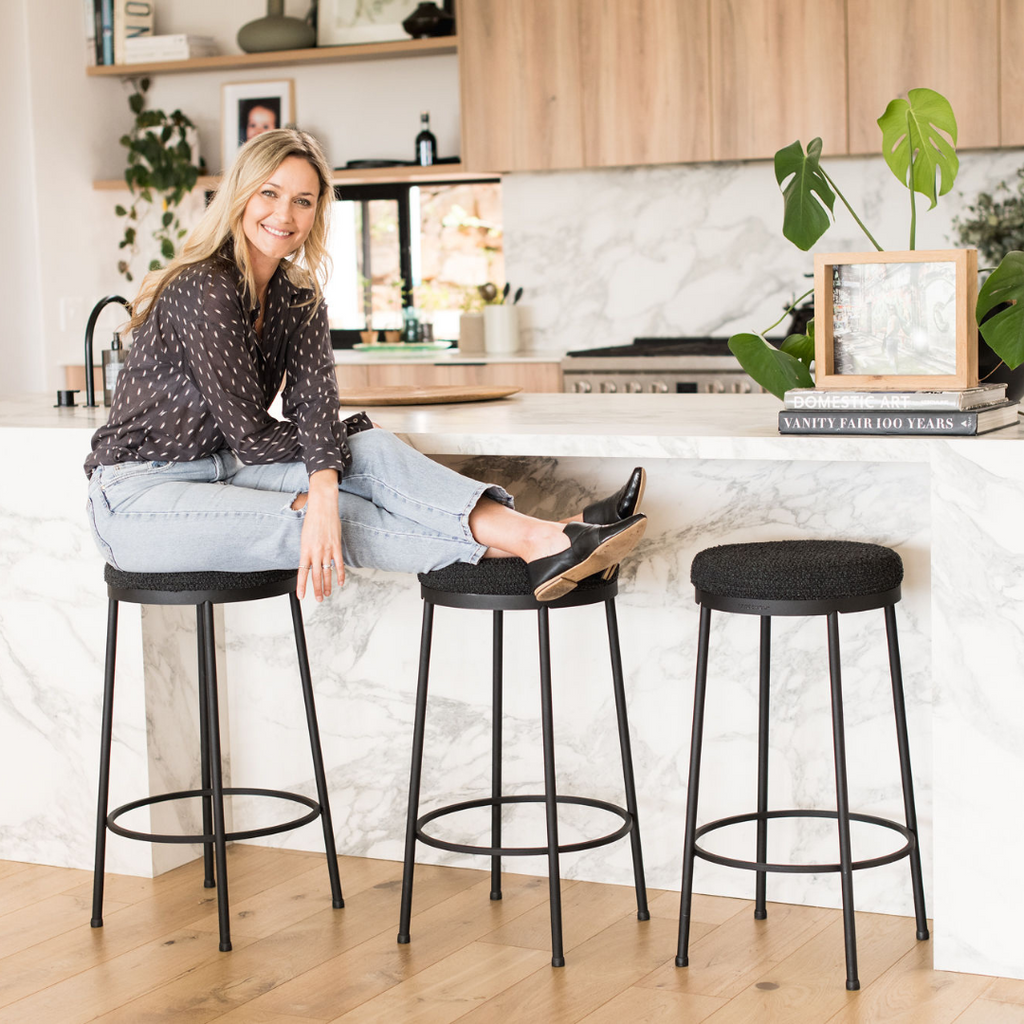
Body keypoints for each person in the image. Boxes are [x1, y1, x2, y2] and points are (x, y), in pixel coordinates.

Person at [84, 129, 646, 603]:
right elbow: (255, 439)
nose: (284, 214)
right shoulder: (204, 287)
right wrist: (329, 475)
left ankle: (551, 540)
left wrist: (329, 470)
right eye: (270, 194)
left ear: (317, 212)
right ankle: (549, 539)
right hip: (138, 496)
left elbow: (313, 406)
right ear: (239, 196)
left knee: (367, 453)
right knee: (323, 506)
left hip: (223, 464)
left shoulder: (298, 296)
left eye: (303, 201)